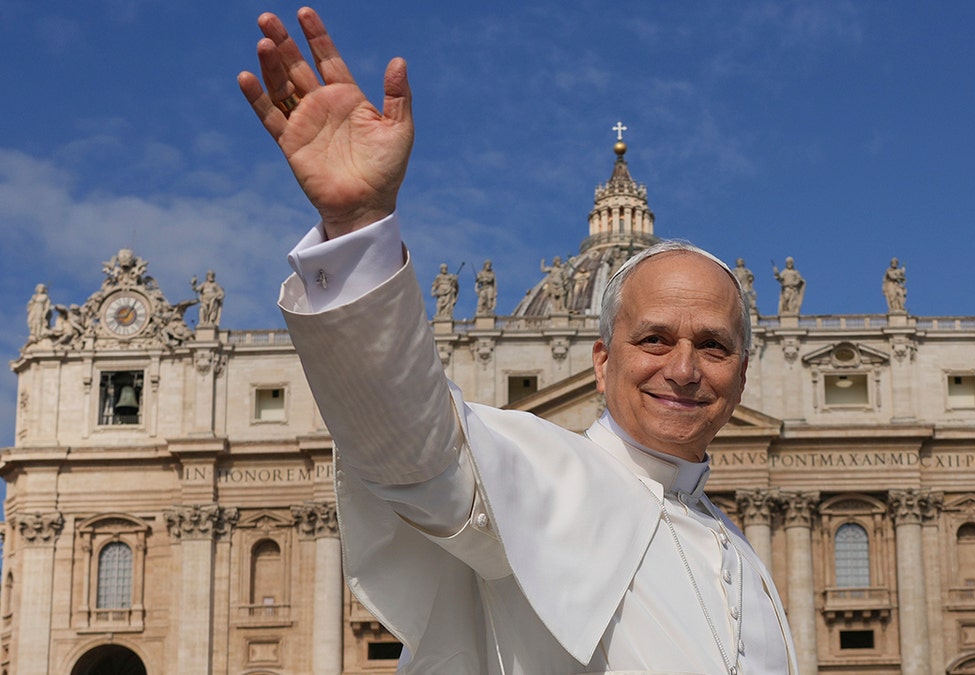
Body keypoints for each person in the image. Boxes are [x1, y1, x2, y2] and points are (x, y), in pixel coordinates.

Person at [239, 8, 797, 674]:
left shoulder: (742, 553)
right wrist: (360, 227)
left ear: (741, 372)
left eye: (713, 346)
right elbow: (416, 450)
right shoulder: (537, 474)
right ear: (600, 359)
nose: (682, 368)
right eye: (653, 338)